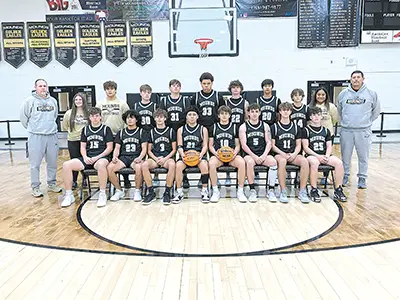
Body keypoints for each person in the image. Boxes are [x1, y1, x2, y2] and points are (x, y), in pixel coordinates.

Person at [61, 107, 113, 207]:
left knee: (101, 165)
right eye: (93, 116)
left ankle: (102, 194)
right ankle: (69, 195)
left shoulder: (106, 129)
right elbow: (83, 147)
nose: (95, 118)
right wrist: (84, 157)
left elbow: (109, 148)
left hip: (101, 157)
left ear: (100, 117)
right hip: (88, 158)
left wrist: (97, 157)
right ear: (89, 118)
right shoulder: (85, 130)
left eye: (97, 116)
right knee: (66, 165)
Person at [338, 70, 381, 189]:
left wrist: (366, 122)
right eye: (353, 77)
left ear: (363, 79)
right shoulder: (343, 94)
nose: (356, 79)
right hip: (347, 130)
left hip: (363, 131)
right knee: (345, 156)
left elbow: (376, 111)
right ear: (350, 79)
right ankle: (345, 176)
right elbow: (340, 111)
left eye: (358, 77)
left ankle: (362, 178)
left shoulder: (371, 94)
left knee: (363, 156)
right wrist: (347, 121)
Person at [20, 79, 62, 197]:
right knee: (35, 164)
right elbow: (23, 118)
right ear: (35, 87)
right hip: (36, 136)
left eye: (44, 86)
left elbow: (55, 116)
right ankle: (35, 187)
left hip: (51, 136)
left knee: (52, 162)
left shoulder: (53, 101)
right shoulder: (29, 101)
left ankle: (52, 183)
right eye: (40, 86)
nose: (43, 88)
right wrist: (34, 129)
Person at [302, 107, 347, 202]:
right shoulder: (306, 130)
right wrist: (318, 156)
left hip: (324, 155)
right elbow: (306, 148)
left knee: (339, 163)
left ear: (322, 116)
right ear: (310, 117)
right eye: (314, 115)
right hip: (312, 156)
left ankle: (338, 189)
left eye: (318, 115)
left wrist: (326, 155)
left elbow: (329, 146)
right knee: (314, 162)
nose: (316, 117)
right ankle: (313, 189)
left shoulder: (326, 131)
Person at [271, 102, 310, 203]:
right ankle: (283, 191)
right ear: (280, 111)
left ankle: (302, 191)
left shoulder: (296, 127)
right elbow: (273, 145)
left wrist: (294, 154)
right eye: (283, 110)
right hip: (280, 154)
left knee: (305, 161)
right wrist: (283, 154)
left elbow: (298, 145)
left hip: (293, 154)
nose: (285, 112)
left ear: (291, 112)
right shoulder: (274, 127)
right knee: (282, 161)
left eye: (287, 110)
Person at [239, 103, 278, 203]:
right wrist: (254, 156)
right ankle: (252, 190)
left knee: (273, 162)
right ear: (248, 113)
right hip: (249, 154)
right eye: (252, 112)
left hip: (262, 153)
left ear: (260, 113)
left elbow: (269, 142)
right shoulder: (243, 127)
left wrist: (264, 155)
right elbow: (244, 145)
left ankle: (271, 190)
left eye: (256, 111)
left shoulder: (265, 126)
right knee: (250, 162)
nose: (254, 114)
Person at [208, 106, 248, 203]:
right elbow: (210, 145)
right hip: (219, 156)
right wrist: (216, 154)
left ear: (230, 115)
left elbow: (238, 145)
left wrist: (234, 153)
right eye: (222, 114)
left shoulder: (234, 127)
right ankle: (215, 190)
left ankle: (240, 190)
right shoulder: (213, 127)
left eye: (226, 114)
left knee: (242, 163)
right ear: (218, 115)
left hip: (231, 156)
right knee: (211, 163)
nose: (224, 116)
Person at [96, 80, 130, 187]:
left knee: (121, 158)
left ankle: (126, 179)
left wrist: (124, 133)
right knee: (107, 159)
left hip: (118, 134)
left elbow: (128, 119)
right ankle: (108, 180)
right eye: (107, 89)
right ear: (105, 90)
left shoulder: (122, 103)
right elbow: (97, 119)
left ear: (115, 90)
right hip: (105, 135)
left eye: (112, 89)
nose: (110, 91)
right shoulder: (100, 104)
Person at [108, 110, 147, 202]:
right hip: (124, 157)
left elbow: (144, 148)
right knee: (110, 167)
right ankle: (118, 190)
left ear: (136, 119)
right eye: (127, 118)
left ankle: (137, 190)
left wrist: (140, 158)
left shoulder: (142, 132)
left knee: (138, 167)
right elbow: (117, 148)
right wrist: (115, 156)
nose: (129, 120)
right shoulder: (120, 133)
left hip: (136, 157)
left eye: (132, 117)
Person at [173, 106, 210, 203]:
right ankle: (179, 191)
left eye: (194, 114)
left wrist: (200, 155)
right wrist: (183, 155)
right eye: (189, 114)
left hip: (199, 155)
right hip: (186, 155)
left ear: (197, 117)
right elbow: (179, 146)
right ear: (186, 117)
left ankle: (204, 190)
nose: (192, 117)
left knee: (204, 165)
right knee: (178, 166)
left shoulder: (203, 129)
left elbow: (205, 146)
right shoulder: (181, 130)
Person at [142, 109, 177, 205]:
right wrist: (156, 159)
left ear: (165, 118)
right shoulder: (151, 132)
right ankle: (151, 192)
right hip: (155, 158)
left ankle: (167, 192)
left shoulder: (171, 131)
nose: (159, 119)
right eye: (157, 117)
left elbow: (174, 150)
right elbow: (149, 150)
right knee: (144, 165)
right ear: (154, 119)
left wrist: (165, 159)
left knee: (172, 164)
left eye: (161, 117)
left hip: (167, 158)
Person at [61, 93, 89, 189]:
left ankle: (85, 179)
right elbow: (65, 125)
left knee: (84, 160)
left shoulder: (88, 112)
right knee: (74, 160)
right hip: (73, 139)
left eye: (80, 99)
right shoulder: (69, 113)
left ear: (83, 101)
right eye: (76, 100)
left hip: (85, 141)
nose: (78, 101)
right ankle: (74, 180)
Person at [224, 80, 249, 186]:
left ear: (241, 89)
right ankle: (228, 176)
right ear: (230, 89)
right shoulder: (226, 102)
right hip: (230, 130)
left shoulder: (245, 102)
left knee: (243, 154)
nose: (235, 89)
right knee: (227, 152)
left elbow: (247, 118)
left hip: (241, 130)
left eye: (237, 87)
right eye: (233, 87)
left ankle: (245, 176)